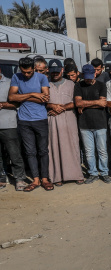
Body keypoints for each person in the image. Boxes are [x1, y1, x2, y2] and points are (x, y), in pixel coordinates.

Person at [9, 58, 51, 192]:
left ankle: (45, 178)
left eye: (29, 72)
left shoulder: (42, 78)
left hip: (40, 119)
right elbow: (11, 97)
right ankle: (36, 179)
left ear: (33, 68)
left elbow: (45, 97)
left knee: (43, 151)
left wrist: (22, 96)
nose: (26, 75)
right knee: (30, 152)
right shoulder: (16, 77)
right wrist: (33, 94)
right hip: (24, 120)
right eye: (24, 72)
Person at [46, 59, 84, 186]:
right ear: (49, 71)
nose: (55, 74)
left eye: (57, 71)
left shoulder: (71, 84)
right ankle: (57, 177)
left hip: (69, 120)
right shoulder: (45, 84)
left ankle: (76, 174)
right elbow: (43, 101)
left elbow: (76, 102)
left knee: (72, 145)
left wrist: (60, 108)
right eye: (53, 72)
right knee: (54, 147)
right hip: (52, 120)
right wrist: (52, 106)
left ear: (62, 70)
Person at [74, 64, 111, 184]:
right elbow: (78, 103)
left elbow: (103, 104)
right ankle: (93, 173)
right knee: (89, 152)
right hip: (84, 124)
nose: (89, 79)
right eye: (87, 77)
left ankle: (104, 172)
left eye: (91, 76)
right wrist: (96, 102)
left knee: (102, 151)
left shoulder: (101, 85)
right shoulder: (78, 85)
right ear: (83, 75)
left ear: (95, 73)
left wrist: (85, 104)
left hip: (100, 123)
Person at [0, 67, 28, 191]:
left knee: (14, 153)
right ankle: (2, 178)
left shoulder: (10, 83)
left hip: (8, 124)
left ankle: (20, 178)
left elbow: (18, 103)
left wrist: (2, 104)